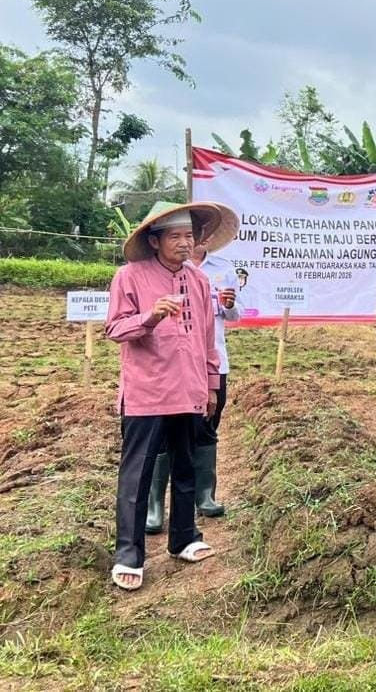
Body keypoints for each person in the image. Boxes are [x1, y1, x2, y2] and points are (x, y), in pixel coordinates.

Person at [104, 200, 238, 591]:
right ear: (155, 240)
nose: (184, 243)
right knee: (137, 473)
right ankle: (129, 554)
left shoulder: (199, 281)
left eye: (189, 236)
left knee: (185, 466)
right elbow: (115, 329)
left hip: (189, 388)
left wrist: (211, 384)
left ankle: (185, 537)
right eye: (175, 236)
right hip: (147, 390)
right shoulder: (130, 277)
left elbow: (207, 338)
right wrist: (151, 316)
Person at [145, 227, 241, 534]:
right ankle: (155, 505)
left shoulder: (223, 270)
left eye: (196, 234)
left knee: (206, 426)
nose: (191, 240)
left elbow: (234, 315)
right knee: (160, 432)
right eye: (183, 234)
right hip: (168, 365)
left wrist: (228, 305)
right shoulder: (155, 272)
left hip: (211, 360)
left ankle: (205, 495)